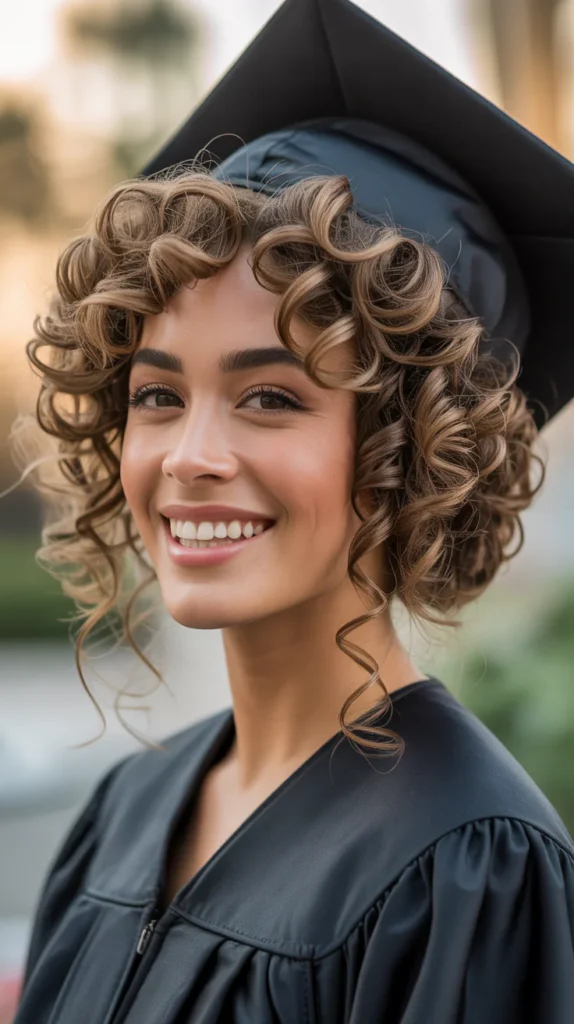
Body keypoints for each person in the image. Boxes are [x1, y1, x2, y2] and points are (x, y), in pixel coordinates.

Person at [10, 0, 574, 1021]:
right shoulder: (126, 813)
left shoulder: (463, 864)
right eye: (158, 394)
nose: (192, 456)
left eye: (272, 396)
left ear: (415, 450)